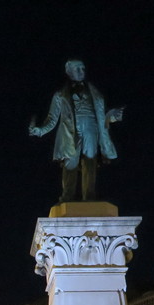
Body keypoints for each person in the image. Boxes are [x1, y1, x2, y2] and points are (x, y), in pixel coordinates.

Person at [29, 59, 124, 203]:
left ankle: (89, 195)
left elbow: (101, 116)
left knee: (90, 161)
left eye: (83, 68)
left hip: (91, 127)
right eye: (78, 69)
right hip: (70, 130)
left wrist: (113, 117)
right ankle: (67, 196)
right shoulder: (60, 95)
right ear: (69, 72)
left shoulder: (95, 93)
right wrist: (40, 130)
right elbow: (52, 119)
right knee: (70, 163)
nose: (81, 71)